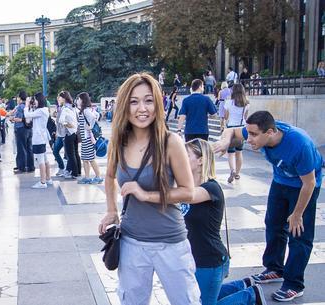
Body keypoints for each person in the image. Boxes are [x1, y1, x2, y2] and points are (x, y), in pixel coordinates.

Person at [98, 73, 200, 305]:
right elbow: (110, 175)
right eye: (134, 101)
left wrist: (146, 195)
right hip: (132, 242)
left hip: (171, 243)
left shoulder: (170, 142)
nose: (141, 109)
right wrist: (112, 210)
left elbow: (188, 192)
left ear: (157, 103)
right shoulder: (118, 140)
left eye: (148, 100)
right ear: (125, 105)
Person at [213, 111, 322, 302]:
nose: (249, 139)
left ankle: (294, 283)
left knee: (299, 234)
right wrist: (225, 141)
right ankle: (274, 269)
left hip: (303, 186)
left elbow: (310, 183)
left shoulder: (299, 145)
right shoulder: (257, 131)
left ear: (270, 132)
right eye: (249, 134)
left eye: (254, 135)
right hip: (281, 181)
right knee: (273, 224)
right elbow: (232, 132)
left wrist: (297, 214)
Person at [184, 138, 268, 305]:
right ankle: (244, 286)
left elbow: (187, 196)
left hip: (210, 260)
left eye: (185, 155)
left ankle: (250, 296)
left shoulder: (211, 188)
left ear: (201, 160)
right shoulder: (186, 186)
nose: (180, 159)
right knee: (201, 296)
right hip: (195, 258)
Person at [24, 93, 52, 188]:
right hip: (41, 138)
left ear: (39, 100)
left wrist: (26, 105)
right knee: (45, 159)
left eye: (35, 99)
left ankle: (42, 182)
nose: (34, 101)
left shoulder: (41, 111)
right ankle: (48, 178)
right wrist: (31, 107)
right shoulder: (42, 110)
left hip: (38, 138)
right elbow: (28, 120)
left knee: (41, 161)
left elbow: (26, 115)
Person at [224, 84, 250, 183]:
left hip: (231, 128)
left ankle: (232, 170)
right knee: (239, 152)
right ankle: (238, 174)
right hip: (242, 129)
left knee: (230, 153)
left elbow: (226, 117)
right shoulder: (246, 103)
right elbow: (246, 118)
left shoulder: (229, 102)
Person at [77, 92, 103, 184]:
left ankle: (98, 177)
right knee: (85, 158)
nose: (77, 101)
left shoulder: (86, 111)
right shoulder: (86, 109)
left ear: (82, 100)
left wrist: (90, 126)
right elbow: (97, 115)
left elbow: (94, 117)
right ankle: (87, 177)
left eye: (79, 99)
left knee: (90, 158)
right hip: (86, 138)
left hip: (87, 138)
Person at [58, 91, 81, 179]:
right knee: (75, 153)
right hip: (74, 133)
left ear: (64, 98)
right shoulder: (73, 106)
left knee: (70, 155)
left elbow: (61, 120)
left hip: (68, 133)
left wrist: (67, 124)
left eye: (60, 97)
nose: (59, 99)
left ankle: (74, 173)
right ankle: (78, 171)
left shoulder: (65, 108)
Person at [12, 91, 35, 174]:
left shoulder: (20, 107)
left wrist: (12, 119)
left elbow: (18, 119)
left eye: (17, 98)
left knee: (21, 148)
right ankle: (30, 166)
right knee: (29, 148)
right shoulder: (29, 106)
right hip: (29, 128)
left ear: (20, 98)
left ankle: (21, 167)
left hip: (21, 128)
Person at [53, 91, 70, 176]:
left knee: (67, 154)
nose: (57, 98)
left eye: (59, 97)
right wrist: (57, 132)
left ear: (64, 98)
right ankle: (61, 167)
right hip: (60, 134)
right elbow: (58, 122)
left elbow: (66, 121)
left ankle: (68, 170)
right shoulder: (60, 107)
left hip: (66, 134)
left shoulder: (67, 107)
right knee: (55, 151)